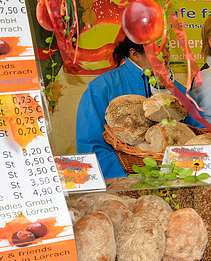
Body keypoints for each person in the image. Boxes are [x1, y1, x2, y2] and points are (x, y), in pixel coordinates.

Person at [76, 37, 202, 178]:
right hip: (123, 183)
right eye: (158, 49)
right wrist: (131, 179)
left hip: (176, 180)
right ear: (134, 54)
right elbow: (92, 146)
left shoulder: (180, 92)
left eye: (167, 47)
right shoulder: (102, 88)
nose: (166, 54)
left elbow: (199, 133)